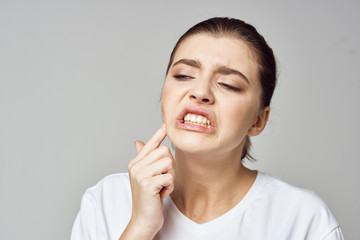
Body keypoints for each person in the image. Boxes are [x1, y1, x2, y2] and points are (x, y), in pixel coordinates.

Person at [70, 17, 344, 240]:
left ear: (258, 120)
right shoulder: (106, 201)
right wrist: (140, 227)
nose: (200, 92)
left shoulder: (304, 220)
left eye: (229, 84)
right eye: (183, 76)